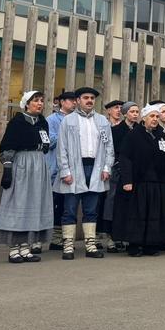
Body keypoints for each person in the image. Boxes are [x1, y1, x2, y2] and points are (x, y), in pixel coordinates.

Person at [56, 87, 115, 260]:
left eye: (92, 98)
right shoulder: (68, 121)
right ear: (78, 100)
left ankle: (90, 245)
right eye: (85, 97)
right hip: (75, 168)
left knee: (91, 209)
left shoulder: (102, 121)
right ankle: (68, 245)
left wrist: (107, 168)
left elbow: (109, 146)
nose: (89, 100)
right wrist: (65, 170)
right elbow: (62, 148)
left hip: (95, 168)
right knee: (70, 209)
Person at [0, 91, 53, 263]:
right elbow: (7, 145)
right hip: (22, 164)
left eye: (41, 101)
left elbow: (46, 144)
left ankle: (26, 247)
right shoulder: (17, 122)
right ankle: (14, 249)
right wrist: (7, 168)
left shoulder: (42, 122)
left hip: (38, 164)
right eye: (36, 101)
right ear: (27, 104)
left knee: (34, 203)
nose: (40, 103)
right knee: (18, 202)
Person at [118, 104, 165, 256]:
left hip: (159, 182)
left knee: (155, 214)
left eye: (157, 116)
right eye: (152, 116)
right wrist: (127, 180)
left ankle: (151, 244)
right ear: (144, 118)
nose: (155, 119)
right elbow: (125, 158)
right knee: (138, 213)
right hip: (139, 182)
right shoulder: (134, 135)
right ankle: (134, 244)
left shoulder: (162, 136)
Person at [46, 90, 77, 251]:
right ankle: (48, 238)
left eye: (75, 100)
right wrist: (65, 135)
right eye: (71, 100)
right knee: (52, 204)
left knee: (67, 206)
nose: (74, 103)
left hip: (73, 171)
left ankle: (61, 238)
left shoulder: (78, 119)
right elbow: (49, 141)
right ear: (62, 102)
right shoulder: (51, 120)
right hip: (55, 169)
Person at [106, 101, 139, 252]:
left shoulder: (140, 130)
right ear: (125, 114)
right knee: (112, 202)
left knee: (130, 204)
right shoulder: (116, 130)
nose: (135, 114)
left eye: (137, 112)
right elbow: (111, 150)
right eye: (132, 112)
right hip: (118, 169)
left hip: (135, 171)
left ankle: (125, 235)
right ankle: (110, 237)